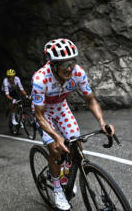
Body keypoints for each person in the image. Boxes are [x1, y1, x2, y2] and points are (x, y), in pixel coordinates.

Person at [31, 38, 114, 211]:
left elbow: (90, 100)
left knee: (76, 146)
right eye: (64, 64)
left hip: (61, 108)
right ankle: (57, 189)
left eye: (72, 62)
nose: (69, 68)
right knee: (55, 149)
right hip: (44, 113)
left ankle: (65, 173)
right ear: (53, 65)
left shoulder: (77, 72)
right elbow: (39, 115)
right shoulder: (40, 79)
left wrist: (103, 123)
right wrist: (56, 137)